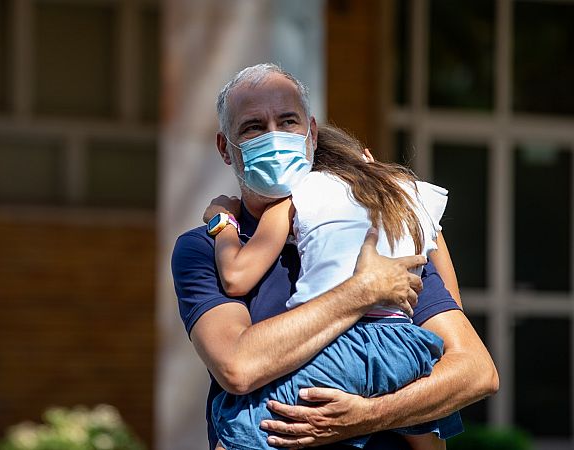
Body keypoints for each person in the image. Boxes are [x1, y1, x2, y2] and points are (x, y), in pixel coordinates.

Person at [171, 63, 498, 449]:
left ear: (311, 133)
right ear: (226, 148)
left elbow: (474, 371)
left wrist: (363, 417)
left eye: (287, 121)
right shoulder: (202, 249)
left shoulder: (378, 235)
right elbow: (237, 366)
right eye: (253, 127)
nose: (274, 137)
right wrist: (362, 291)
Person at [206, 123, 461, 450]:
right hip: (408, 347)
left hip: (341, 344)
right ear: (366, 156)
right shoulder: (408, 194)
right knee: (430, 432)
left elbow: (236, 275)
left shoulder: (299, 192)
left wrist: (224, 222)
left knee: (237, 431)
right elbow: (453, 304)